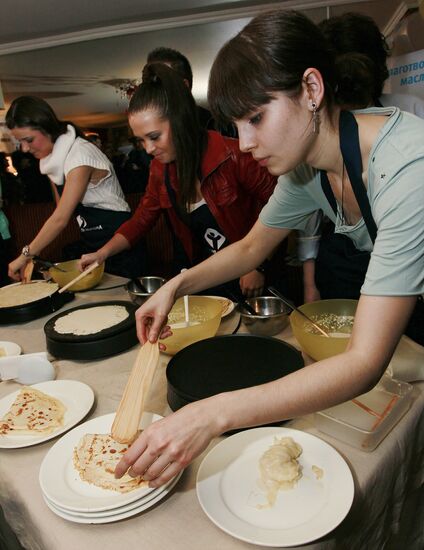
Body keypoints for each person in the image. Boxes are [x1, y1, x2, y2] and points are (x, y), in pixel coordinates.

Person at [114, 9, 423, 488]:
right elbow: (251, 247)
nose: (246, 143)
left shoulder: (407, 167)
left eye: (257, 117)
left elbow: (364, 362)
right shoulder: (306, 169)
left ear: (312, 90)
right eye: (236, 124)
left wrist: (213, 414)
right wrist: (175, 286)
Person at [79, 62, 280, 299]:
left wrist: (257, 265)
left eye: (154, 137)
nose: (148, 149)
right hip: (206, 276)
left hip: (251, 274)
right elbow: (142, 219)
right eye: (141, 141)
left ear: (179, 120)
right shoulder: (158, 169)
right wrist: (102, 254)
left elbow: (280, 209)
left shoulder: (234, 155)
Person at [298, 12, 424, 344]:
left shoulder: (409, 116)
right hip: (341, 260)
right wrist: (310, 282)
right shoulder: (316, 129)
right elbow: (307, 209)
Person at [5, 96, 146, 280]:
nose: (24, 149)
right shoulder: (52, 163)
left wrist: (25, 255)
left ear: (46, 127)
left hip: (119, 241)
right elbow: (60, 211)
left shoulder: (80, 154)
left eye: (28, 139)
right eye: (20, 142)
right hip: (93, 243)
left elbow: (60, 219)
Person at [147, 46, 237, 138]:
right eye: (149, 82)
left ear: (184, 86)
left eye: (159, 81)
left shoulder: (220, 128)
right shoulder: (143, 136)